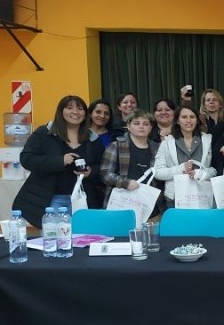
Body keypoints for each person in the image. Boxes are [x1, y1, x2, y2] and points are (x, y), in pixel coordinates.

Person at [13, 95, 105, 228]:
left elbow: (103, 168)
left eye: (80, 109)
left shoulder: (93, 139)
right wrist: (60, 161)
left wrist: (91, 172)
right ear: (61, 111)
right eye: (69, 108)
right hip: (51, 200)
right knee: (55, 241)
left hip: (83, 200)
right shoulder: (45, 133)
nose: (75, 112)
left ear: (86, 115)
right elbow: (27, 159)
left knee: (84, 239)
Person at [153, 105, 216, 208]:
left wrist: (203, 174)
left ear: (197, 120)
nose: (188, 120)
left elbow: (215, 169)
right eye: (184, 117)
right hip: (174, 199)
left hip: (202, 196)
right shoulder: (167, 143)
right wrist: (180, 169)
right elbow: (158, 172)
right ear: (177, 121)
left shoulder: (208, 140)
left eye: (192, 117)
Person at [100, 109, 160, 206]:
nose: (141, 127)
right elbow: (105, 174)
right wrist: (125, 183)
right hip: (120, 203)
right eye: (136, 123)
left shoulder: (157, 148)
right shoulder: (116, 146)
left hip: (150, 204)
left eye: (145, 124)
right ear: (128, 126)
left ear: (150, 127)